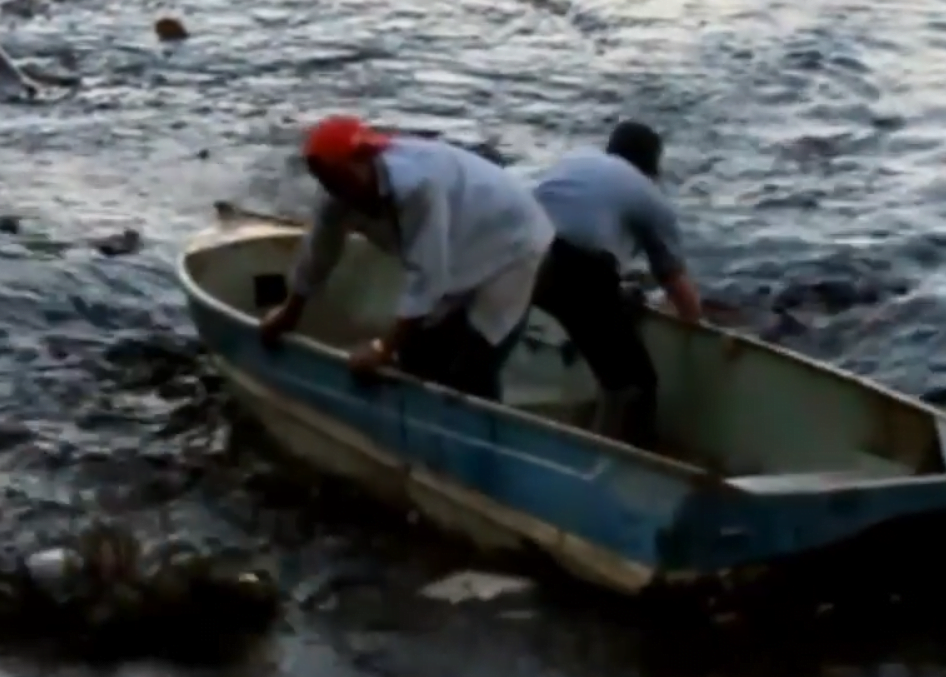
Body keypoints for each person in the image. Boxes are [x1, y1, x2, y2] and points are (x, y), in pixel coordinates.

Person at [259, 115, 555, 402]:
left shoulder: (416, 187)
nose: (336, 190)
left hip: (514, 246)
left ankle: (483, 441)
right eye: (325, 182)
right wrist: (289, 314)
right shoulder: (337, 195)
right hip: (461, 244)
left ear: (365, 159)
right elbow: (319, 252)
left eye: (340, 179)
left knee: (474, 365)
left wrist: (382, 349)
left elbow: (426, 275)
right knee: (417, 352)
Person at [530, 120, 704, 448]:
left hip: (517, 249)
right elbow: (677, 285)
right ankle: (622, 466)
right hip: (572, 267)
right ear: (654, 166)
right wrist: (697, 325)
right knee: (636, 383)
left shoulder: (578, 159)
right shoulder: (649, 196)